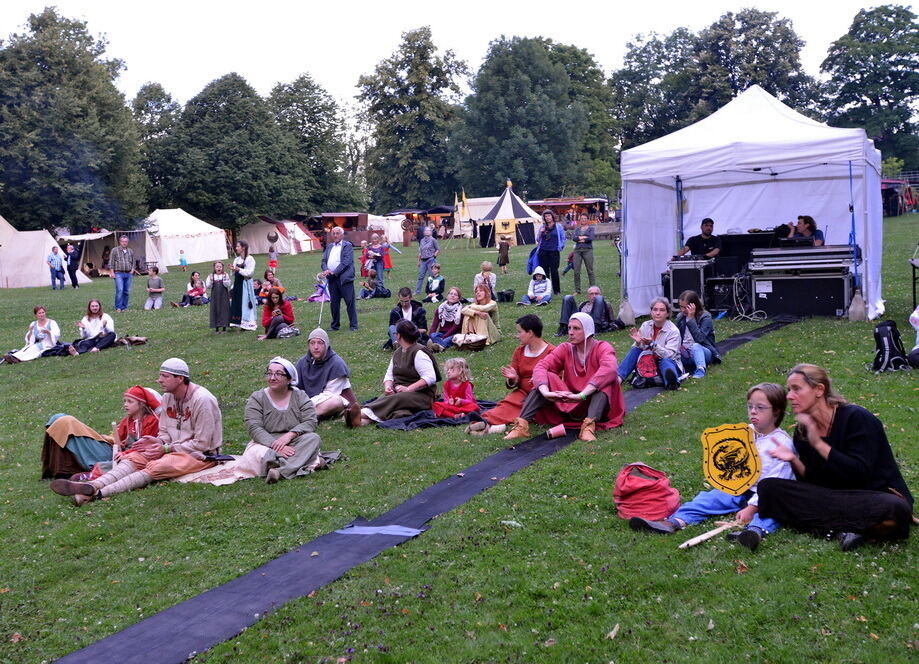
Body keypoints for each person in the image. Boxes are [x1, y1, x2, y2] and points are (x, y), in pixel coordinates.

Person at [757, 364, 913, 552]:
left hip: (872, 495)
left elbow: (859, 473)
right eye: (789, 390)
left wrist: (820, 445)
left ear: (819, 390)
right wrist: (793, 459)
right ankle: (847, 528)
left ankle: (830, 526)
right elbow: (814, 483)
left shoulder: (857, 418)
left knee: (896, 509)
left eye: (796, 389)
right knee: (769, 489)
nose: (789, 396)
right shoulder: (803, 432)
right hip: (834, 498)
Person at [630, 383, 796, 552]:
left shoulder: (782, 443)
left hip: (768, 495)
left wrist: (753, 507)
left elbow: (776, 481)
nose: (753, 411)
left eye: (760, 407)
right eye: (750, 406)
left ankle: (753, 532)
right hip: (739, 486)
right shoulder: (744, 433)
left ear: (776, 411)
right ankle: (673, 522)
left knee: (772, 511)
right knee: (709, 499)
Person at [50, 357, 223, 505]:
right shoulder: (169, 397)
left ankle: (96, 494)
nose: (159, 380)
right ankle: (94, 485)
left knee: (158, 465)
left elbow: (203, 443)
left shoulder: (202, 400)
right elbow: (164, 432)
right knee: (135, 456)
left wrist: (167, 449)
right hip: (171, 449)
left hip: (200, 455)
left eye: (165, 376)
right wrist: (157, 442)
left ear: (180, 379)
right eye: (160, 375)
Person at [504, 312, 624, 442]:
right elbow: (541, 367)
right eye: (569, 328)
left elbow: (609, 369)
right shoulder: (565, 348)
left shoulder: (602, 347)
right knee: (546, 376)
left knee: (606, 381)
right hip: (570, 402)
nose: (571, 332)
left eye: (576, 328)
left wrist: (582, 395)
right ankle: (521, 426)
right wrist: (545, 392)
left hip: (593, 402)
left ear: (588, 331)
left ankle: (588, 427)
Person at [40, 385, 161, 480]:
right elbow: (118, 439)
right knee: (58, 417)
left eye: (130, 401)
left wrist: (125, 452)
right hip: (114, 451)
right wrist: (109, 439)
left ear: (141, 404)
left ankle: (81, 474)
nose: (125, 405)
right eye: (125, 401)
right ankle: (58, 470)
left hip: (122, 457)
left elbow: (145, 448)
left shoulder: (151, 421)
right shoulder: (128, 420)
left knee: (67, 422)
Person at [468, 313, 554, 436]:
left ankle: (492, 426)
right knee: (506, 404)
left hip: (541, 395)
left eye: (519, 332)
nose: (517, 336)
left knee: (519, 408)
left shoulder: (552, 352)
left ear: (530, 333)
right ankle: (484, 421)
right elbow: (514, 381)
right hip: (522, 392)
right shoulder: (519, 351)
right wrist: (514, 379)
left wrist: (540, 381)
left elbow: (558, 379)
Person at [245, 357, 325, 483]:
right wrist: (276, 445)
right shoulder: (257, 398)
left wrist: (290, 435)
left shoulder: (300, 396)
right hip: (265, 443)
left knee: (313, 438)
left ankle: (280, 471)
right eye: (270, 373)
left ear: (289, 379)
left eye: (278, 374)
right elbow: (254, 427)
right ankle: (310, 462)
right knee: (256, 454)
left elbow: (310, 421)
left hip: (294, 441)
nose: (272, 378)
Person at [345, 320, 440, 427]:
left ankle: (361, 413)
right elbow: (389, 375)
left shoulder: (419, 352)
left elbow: (430, 377)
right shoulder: (397, 353)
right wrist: (388, 387)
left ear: (399, 336)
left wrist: (408, 389)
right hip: (400, 392)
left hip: (422, 396)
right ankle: (361, 422)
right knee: (395, 407)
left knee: (395, 399)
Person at [617, 297, 683, 390]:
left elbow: (670, 355)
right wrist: (638, 343)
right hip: (648, 363)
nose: (658, 313)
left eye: (662, 310)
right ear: (651, 312)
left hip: (667, 362)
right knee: (635, 350)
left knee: (666, 361)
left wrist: (653, 344)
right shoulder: (645, 325)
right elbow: (639, 351)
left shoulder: (673, 331)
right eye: (655, 309)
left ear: (667, 313)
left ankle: (671, 382)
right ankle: (618, 379)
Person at [295, 328, 354, 419]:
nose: (316, 347)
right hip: (306, 403)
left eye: (320, 343)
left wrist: (305, 404)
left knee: (335, 402)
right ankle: (307, 415)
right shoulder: (302, 362)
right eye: (312, 343)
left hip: (327, 401)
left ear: (326, 345)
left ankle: (303, 416)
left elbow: (330, 394)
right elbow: (295, 387)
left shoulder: (337, 364)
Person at [674, 290, 721, 379]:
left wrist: (691, 319)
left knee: (696, 346)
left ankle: (700, 370)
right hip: (685, 353)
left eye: (686, 307)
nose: (683, 310)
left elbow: (700, 339)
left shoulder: (705, 317)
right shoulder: (680, 317)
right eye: (681, 307)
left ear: (694, 305)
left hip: (703, 352)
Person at [320, 226, 358, 331]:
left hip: (344, 278)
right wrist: (326, 270)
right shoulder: (329, 246)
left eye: (337, 233)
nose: (335, 235)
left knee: (349, 302)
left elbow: (346, 262)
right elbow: (323, 261)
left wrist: (334, 272)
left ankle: (353, 325)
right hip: (332, 279)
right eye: (334, 233)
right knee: (334, 303)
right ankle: (335, 325)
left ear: (342, 235)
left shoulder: (347, 246)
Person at [556, 286, 624, 337]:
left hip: (595, 325)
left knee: (599, 300)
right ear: (588, 296)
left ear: (600, 295)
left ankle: (595, 328)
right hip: (581, 323)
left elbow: (611, 320)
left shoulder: (606, 304)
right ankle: (563, 327)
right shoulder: (583, 304)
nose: (594, 296)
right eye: (591, 294)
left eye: (596, 294)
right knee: (568, 297)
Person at [230, 240, 258, 331]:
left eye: (238, 246)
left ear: (243, 248)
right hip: (238, 283)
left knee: (246, 303)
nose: (236, 248)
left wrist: (239, 270)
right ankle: (238, 322)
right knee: (237, 303)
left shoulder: (250, 259)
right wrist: (233, 270)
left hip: (245, 284)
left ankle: (248, 323)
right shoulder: (236, 260)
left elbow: (250, 273)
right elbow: (234, 274)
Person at [537, 210, 565, 295]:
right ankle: (546, 289)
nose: (547, 218)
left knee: (554, 271)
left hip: (554, 251)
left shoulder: (558, 226)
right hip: (543, 250)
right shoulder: (542, 226)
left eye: (549, 216)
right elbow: (537, 239)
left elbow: (563, 238)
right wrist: (540, 233)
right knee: (545, 271)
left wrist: (561, 246)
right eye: (546, 216)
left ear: (552, 217)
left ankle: (556, 290)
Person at [427, 287, 463, 351]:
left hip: (453, 334)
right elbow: (434, 326)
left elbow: (455, 328)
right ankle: (439, 346)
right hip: (441, 333)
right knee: (433, 335)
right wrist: (430, 337)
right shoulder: (440, 309)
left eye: (455, 294)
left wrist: (443, 338)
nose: (452, 296)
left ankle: (438, 346)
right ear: (447, 296)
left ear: (458, 298)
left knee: (448, 339)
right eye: (451, 294)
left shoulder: (460, 311)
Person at [571, 213, 596, 294]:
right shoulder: (577, 229)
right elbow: (574, 238)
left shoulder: (591, 229)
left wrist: (581, 238)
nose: (583, 220)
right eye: (582, 218)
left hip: (587, 250)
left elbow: (591, 237)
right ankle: (577, 290)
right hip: (577, 251)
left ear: (587, 220)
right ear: (580, 220)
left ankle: (592, 289)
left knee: (590, 271)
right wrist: (584, 237)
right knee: (576, 271)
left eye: (585, 218)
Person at [111, 234, 135, 311]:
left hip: (128, 273)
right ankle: (118, 307)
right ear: (120, 242)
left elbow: (133, 261)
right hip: (118, 273)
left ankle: (124, 307)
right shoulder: (115, 250)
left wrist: (132, 270)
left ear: (127, 242)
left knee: (126, 291)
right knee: (120, 290)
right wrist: (112, 272)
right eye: (123, 241)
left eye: (126, 241)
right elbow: (111, 262)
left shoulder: (130, 251)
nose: (124, 243)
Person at [206, 261, 231, 332]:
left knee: (224, 309)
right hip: (215, 296)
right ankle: (216, 327)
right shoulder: (211, 276)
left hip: (224, 296)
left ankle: (224, 327)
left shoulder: (225, 275)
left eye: (220, 266)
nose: (219, 268)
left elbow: (228, 285)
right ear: (214, 268)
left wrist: (225, 279)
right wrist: (211, 280)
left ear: (222, 267)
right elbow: (208, 286)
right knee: (215, 309)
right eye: (217, 267)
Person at [414, 226, 440, 295]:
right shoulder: (422, 240)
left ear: (431, 232)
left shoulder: (433, 240)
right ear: (424, 232)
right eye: (426, 230)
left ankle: (431, 291)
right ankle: (417, 291)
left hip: (430, 260)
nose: (427, 232)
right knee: (420, 276)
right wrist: (418, 261)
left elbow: (438, 249)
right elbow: (420, 251)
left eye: (428, 230)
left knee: (431, 276)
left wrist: (434, 256)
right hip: (423, 261)